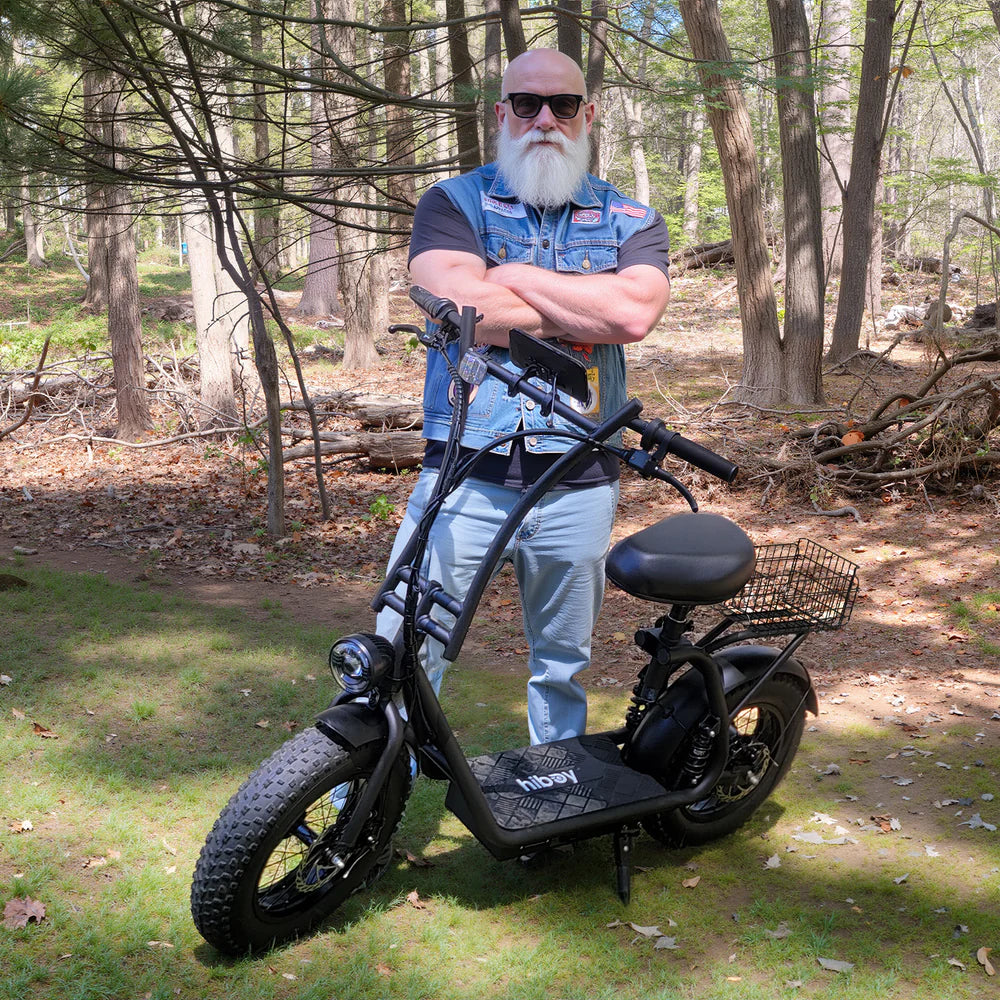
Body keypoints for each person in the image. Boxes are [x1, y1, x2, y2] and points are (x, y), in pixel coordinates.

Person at [377, 48, 671, 747]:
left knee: (562, 667)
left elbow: (633, 315)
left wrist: (509, 274)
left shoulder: (632, 219)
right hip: (464, 473)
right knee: (401, 651)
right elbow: (463, 309)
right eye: (527, 103)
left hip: (579, 477)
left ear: (587, 114)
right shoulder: (452, 203)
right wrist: (583, 307)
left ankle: (553, 788)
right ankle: (365, 800)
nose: (545, 119)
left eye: (562, 105)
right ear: (501, 112)